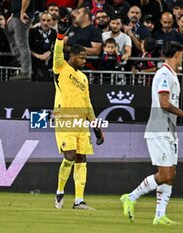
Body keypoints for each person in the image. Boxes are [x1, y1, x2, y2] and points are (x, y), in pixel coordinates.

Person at [120, 41, 183, 225]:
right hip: (159, 128)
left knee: (170, 174)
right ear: (177, 54)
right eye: (182, 54)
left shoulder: (171, 74)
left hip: (169, 130)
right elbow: (164, 103)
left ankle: (160, 215)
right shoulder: (164, 73)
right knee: (164, 174)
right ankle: (131, 197)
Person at [53, 21, 104, 210]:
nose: (84, 60)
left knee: (82, 159)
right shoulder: (61, 68)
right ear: (72, 56)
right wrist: (59, 37)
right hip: (65, 118)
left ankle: (79, 200)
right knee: (70, 156)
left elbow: (87, 104)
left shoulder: (83, 78)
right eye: (82, 57)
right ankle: (59, 192)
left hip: (81, 122)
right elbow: (57, 54)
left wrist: (96, 126)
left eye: (85, 58)